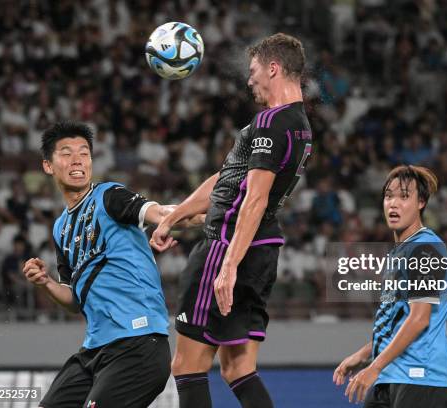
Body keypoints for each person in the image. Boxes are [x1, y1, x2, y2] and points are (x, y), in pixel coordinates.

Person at [150, 33, 313, 408]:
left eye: (254, 70)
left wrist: (228, 265)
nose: (249, 79)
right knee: (237, 370)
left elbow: (254, 199)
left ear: (274, 68)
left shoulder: (271, 123)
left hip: (227, 247)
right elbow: (229, 180)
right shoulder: (299, 124)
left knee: (187, 366)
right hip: (263, 248)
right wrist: (174, 215)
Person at [22, 121, 202, 408]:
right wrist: (45, 283)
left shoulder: (108, 196)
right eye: (66, 153)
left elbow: (160, 212)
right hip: (93, 351)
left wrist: (205, 216)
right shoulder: (60, 228)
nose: (77, 159)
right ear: (48, 166)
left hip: (138, 345)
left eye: (84, 152)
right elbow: (73, 300)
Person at [333, 165, 447, 407]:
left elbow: (419, 319)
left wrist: (374, 367)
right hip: (391, 374)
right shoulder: (397, 255)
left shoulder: (425, 248)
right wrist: (365, 354)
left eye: (404, 196)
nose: (393, 204)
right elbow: (396, 322)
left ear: (421, 202)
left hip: (422, 376)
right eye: (388, 196)